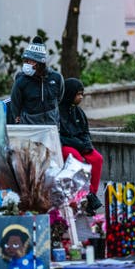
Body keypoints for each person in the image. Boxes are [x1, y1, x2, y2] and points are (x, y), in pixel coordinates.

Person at [58, 78, 103, 216]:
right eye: (78, 94)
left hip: (80, 144)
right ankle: (83, 196)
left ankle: (92, 195)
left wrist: (87, 146)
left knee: (97, 159)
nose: (81, 97)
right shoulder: (58, 111)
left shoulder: (79, 112)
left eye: (82, 94)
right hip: (65, 145)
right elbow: (58, 135)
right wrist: (78, 144)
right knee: (76, 159)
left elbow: (85, 132)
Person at [10, 35, 64, 125]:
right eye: (25, 61)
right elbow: (15, 104)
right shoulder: (21, 81)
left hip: (51, 127)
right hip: (30, 129)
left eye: (30, 61)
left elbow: (59, 98)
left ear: (40, 63)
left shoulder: (56, 78)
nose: (26, 64)